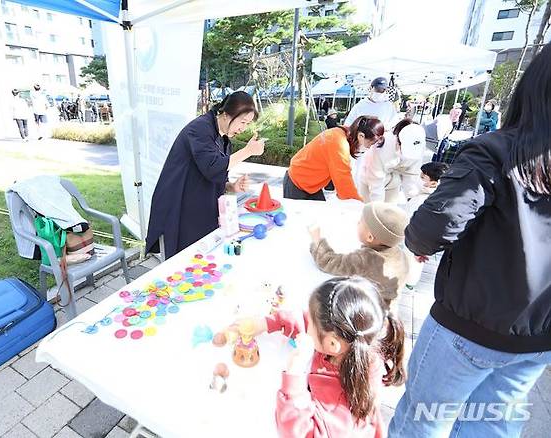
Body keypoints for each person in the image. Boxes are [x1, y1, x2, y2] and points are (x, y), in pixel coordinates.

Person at [389, 43, 551, 437]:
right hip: (536, 338)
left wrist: (417, 243)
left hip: (468, 328)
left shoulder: (496, 153)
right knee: (492, 427)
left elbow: (433, 226)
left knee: (422, 421)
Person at [233, 277, 405, 438]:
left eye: (311, 328)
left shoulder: (341, 403)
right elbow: (307, 320)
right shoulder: (353, 339)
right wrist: (267, 323)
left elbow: (298, 432)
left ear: (332, 345)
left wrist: (294, 378)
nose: (307, 327)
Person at [145, 91, 265, 259]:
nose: (243, 128)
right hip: (179, 205)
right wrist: (248, 151)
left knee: (203, 261)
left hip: (200, 206)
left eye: (247, 124)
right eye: (242, 122)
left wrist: (231, 187)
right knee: (182, 261)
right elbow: (212, 167)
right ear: (226, 114)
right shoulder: (200, 128)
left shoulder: (223, 139)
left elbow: (215, 176)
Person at [308, 202, 411, 310]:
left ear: (370, 237)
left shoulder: (367, 259)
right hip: (390, 307)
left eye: (361, 222)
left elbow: (328, 262)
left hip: (369, 309)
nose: (357, 222)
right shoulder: (400, 254)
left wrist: (317, 240)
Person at [283, 116, 384, 202]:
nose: (369, 148)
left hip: (310, 184)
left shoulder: (341, 133)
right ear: (361, 136)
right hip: (297, 183)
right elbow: (344, 181)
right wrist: (360, 205)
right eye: (370, 144)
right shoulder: (339, 143)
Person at [359, 119, 427, 203]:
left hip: (394, 182)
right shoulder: (382, 146)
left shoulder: (419, 147)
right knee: (371, 209)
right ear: (398, 141)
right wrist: (377, 207)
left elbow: (411, 175)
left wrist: (412, 199)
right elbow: (375, 180)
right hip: (370, 179)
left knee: (390, 210)